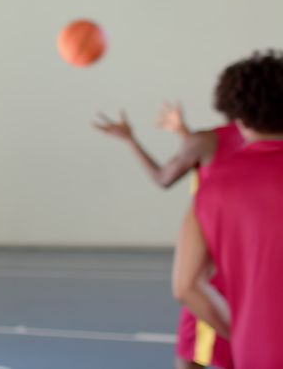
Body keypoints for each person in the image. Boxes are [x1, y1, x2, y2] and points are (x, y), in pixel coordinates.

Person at [95, 101, 240, 369]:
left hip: (216, 270)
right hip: (260, 266)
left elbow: (164, 178)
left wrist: (130, 140)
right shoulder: (256, 147)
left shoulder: (209, 141)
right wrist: (184, 133)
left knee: (201, 353)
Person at [173, 50, 283, 368]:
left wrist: (242, 332)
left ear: (237, 116)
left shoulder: (213, 188)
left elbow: (186, 286)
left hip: (257, 353)